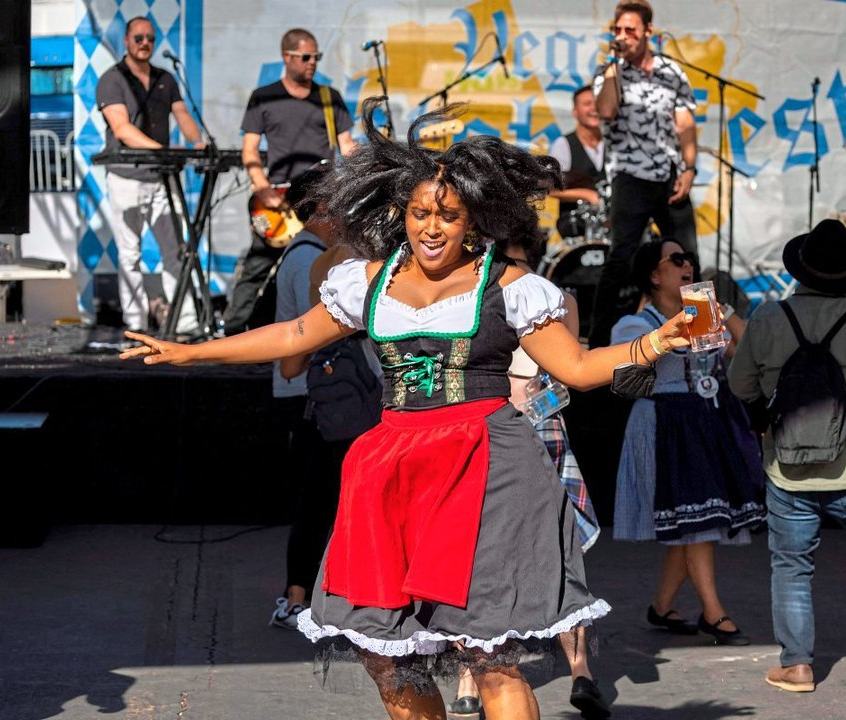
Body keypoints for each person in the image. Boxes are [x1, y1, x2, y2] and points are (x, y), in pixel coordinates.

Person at [120, 98, 694, 720]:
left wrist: (655, 341)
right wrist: (190, 352)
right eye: (421, 212)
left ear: (472, 221)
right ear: (402, 213)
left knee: (489, 655)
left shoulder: (508, 286)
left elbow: (578, 369)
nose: (431, 226)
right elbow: (291, 337)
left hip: (486, 470)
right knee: (386, 658)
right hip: (392, 469)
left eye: (448, 215)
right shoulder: (368, 279)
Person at [726, 218, 846, 692]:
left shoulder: (769, 317)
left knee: (792, 565)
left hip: (788, 470)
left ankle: (796, 666)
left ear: (802, 269)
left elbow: (739, 385)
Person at [446, 237, 610, 719]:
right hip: (496, 432)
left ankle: (577, 672)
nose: (503, 267)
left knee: (552, 553)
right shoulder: (470, 296)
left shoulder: (550, 300)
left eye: (511, 258)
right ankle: (475, 675)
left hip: (527, 431)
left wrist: (530, 402)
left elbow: (566, 379)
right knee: (480, 555)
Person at [611, 238, 765, 647]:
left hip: (702, 423)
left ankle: (662, 606)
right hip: (664, 425)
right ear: (654, 275)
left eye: (689, 261)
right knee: (696, 521)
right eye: (676, 260)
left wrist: (721, 309)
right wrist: (685, 324)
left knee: (694, 519)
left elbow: (746, 351)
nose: (687, 267)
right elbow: (627, 368)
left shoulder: (699, 316)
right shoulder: (634, 325)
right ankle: (714, 613)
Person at [265, 165, 368, 630]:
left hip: (311, 393)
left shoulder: (300, 253)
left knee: (319, 500)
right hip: (317, 395)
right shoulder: (315, 260)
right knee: (322, 501)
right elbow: (307, 342)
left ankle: (298, 596)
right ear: (325, 207)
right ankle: (300, 597)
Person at [221, 27, 357, 335]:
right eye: (306, 57)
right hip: (280, 201)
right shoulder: (264, 97)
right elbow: (250, 149)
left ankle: (321, 332)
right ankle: (233, 333)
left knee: (331, 262)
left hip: (322, 200)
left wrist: (367, 156)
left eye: (317, 57)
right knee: (258, 266)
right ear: (287, 57)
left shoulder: (328, 97)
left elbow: (346, 144)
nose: (312, 63)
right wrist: (262, 188)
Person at [587, 0, 700, 348]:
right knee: (621, 257)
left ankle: (701, 332)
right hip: (630, 176)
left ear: (648, 32)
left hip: (668, 173)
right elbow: (605, 110)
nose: (623, 36)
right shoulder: (609, 71)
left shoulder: (671, 72)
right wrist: (612, 66)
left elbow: (684, 123)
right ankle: (598, 342)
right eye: (617, 30)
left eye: (630, 30)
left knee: (687, 255)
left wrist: (690, 167)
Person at [96, 16, 205, 336]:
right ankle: (136, 326)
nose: (145, 43)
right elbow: (121, 128)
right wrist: (163, 150)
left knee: (176, 252)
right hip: (126, 177)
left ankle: (186, 323)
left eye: (150, 39)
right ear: (127, 42)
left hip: (160, 177)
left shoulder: (165, 78)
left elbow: (182, 114)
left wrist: (198, 142)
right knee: (130, 255)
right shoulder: (112, 79)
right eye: (138, 38)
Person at [548, 85, 606, 240]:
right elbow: (551, 189)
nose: (594, 108)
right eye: (587, 104)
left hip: (612, 225)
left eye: (597, 103)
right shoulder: (563, 144)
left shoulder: (615, 143)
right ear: (575, 112)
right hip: (575, 227)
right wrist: (588, 195)